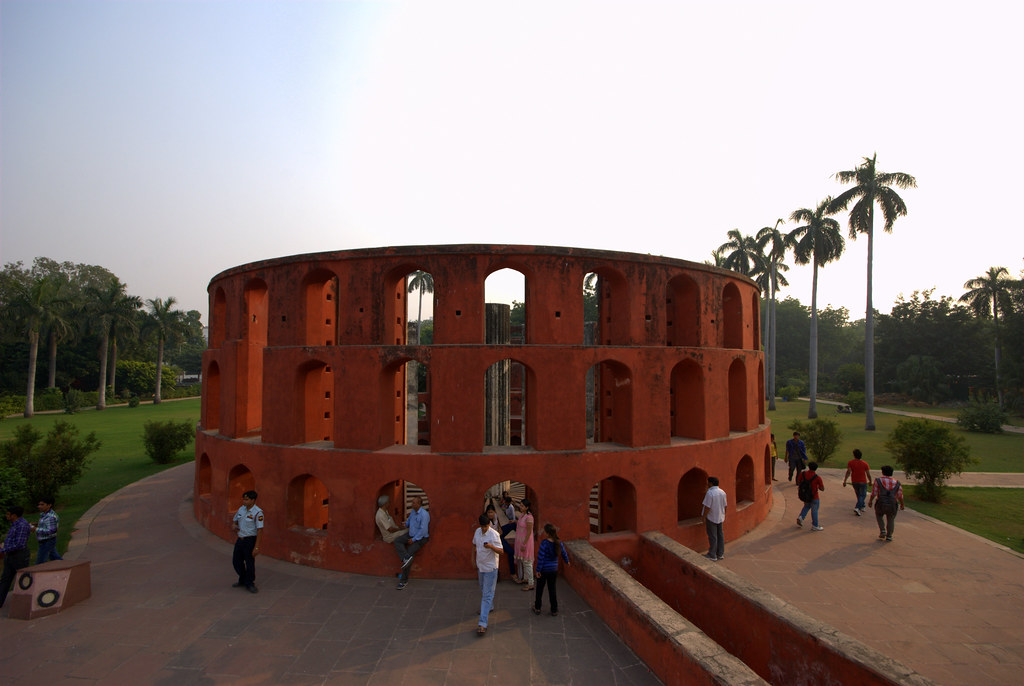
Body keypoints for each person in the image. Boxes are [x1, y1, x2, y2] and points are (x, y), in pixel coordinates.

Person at [472, 513, 503, 635]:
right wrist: (472, 558)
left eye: (486, 526)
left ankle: (482, 623)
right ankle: (489, 607)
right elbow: (474, 544)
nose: (484, 528)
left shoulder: (494, 535)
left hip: (491, 568)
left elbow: (501, 551)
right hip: (481, 566)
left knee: (486, 595)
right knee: (483, 589)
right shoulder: (477, 532)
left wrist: (491, 546)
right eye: (482, 526)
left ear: (489, 524)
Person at [532, 522, 570, 617]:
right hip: (553, 569)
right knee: (552, 589)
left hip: (544, 569)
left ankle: (537, 607)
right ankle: (554, 609)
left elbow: (541, 558)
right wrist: (567, 561)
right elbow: (564, 553)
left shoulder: (544, 543)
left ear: (547, 533)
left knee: (540, 589)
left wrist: (538, 570)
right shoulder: (558, 542)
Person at [231, 490, 264, 593]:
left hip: (250, 540)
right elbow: (235, 519)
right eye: (243, 499)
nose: (244, 501)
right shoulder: (242, 509)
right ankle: (243, 578)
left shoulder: (258, 513)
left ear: (253, 500)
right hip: (240, 539)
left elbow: (260, 530)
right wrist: (234, 525)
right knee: (236, 561)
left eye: (246, 499)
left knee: (249, 562)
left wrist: (256, 547)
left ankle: (249, 583)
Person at [393, 495, 429, 590]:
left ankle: (403, 581)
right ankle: (405, 558)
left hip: (420, 538)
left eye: (413, 502)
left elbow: (423, 531)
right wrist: (405, 524)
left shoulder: (424, 515)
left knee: (409, 553)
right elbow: (409, 522)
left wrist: (413, 539)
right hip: (410, 534)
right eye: (412, 502)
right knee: (397, 541)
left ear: (419, 504)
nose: (411, 504)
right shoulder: (413, 512)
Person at [0, 506, 32, 609]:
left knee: (22, 579)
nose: (6, 516)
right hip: (10, 556)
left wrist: (4, 550)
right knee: (5, 579)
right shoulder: (14, 524)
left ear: (14, 515)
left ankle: (24, 603)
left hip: (19, 557)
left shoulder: (22, 525)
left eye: (8, 514)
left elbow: (20, 544)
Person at [868, 465, 905, 542]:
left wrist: (870, 501)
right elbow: (900, 496)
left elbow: (874, 493)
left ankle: (882, 530)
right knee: (891, 519)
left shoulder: (878, 480)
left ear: (882, 472)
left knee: (879, 515)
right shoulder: (897, 483)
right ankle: (889, 536)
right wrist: (902, 504)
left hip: (881, 503)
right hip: (892, 504)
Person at [700, 476, 728, 561]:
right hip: (720, 517)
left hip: (712, 517)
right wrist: (723, 514)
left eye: (708, 482)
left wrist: (703, 517)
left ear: (711, 483)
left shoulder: (710, 493)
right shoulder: (722, 492)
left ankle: (712, 555)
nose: (707, 484)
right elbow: (725, 506)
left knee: (713, 536)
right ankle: (720, 554)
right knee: (720, 535)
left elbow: (707, 507)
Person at [32, 496, 63, 563]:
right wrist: (38, 525)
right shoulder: (44, 514)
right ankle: (68, 568)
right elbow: (46, 525)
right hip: (45, 541)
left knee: (40, 562)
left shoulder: (51, 517)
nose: (39, 506)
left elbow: (51, 531)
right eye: (39, 504)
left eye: (42, 504)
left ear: (49, 505)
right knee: (55, 559)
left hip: (47, 541)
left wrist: (36, 529)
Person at [795, 462, 825, 531]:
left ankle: (801, 517)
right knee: (814, 511)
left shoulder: (803, 474)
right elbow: (822, 489)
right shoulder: (817, 477)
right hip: (814, 496)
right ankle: (815, 525)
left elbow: (799, 481)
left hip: (805, 495)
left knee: (806, 506)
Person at [842, 449, 872, 516]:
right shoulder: (865, 463)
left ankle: (862, 505)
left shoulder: (850, 463)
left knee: (858, 494)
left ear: (854, 455)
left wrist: (845, 481)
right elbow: (868, 474)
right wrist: (870, 481)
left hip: (855, 481)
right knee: (863, 495)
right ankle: (858, 507)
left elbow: (848, 472)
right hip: (863, 481)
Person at [513, 499, 535, 589]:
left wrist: (524, 544)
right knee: (523, 561)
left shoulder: (529, 517)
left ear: (527, 507)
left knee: (527, 562)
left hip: (526, 542)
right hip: (520, 540)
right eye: (520, 505)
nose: (520, 507)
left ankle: (531, 583)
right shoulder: (522, 515)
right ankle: (526, 578)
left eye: (522, 506)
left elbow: (529, 532)